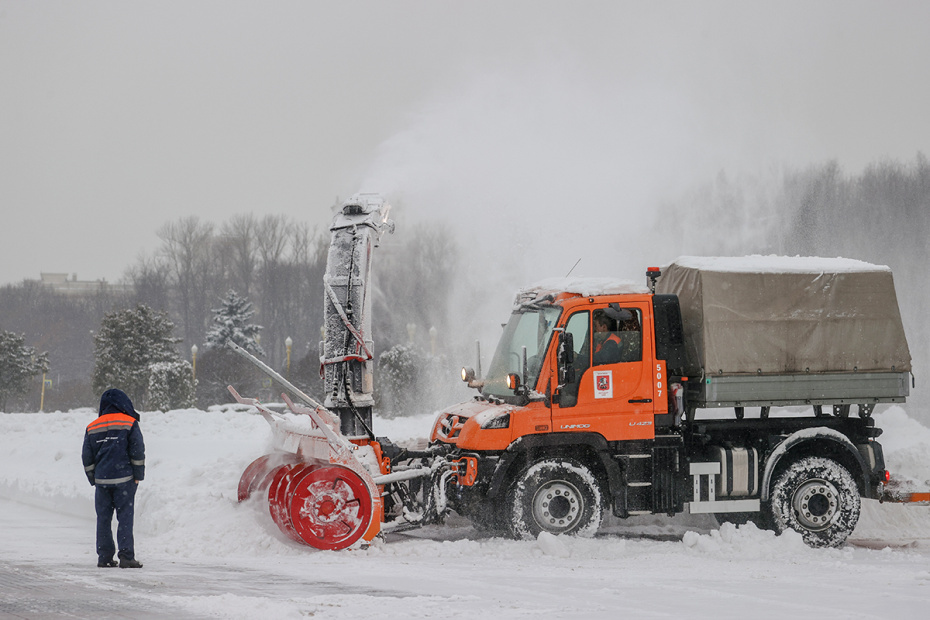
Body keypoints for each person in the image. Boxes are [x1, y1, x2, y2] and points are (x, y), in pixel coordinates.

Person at [82, 389, 145, 569]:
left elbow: (87, 456)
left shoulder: (93, 426)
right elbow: (137, 450)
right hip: (124, 479)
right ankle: (126, 557)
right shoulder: (129, 422)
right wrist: (138, 475)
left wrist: (93, 477)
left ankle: (105, 557)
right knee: (125, 517)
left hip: (102, 482)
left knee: (103, 518)